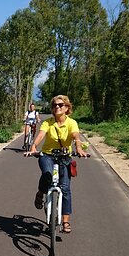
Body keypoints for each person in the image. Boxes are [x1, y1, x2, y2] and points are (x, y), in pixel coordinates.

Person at [25, 95, 88, 233]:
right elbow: (41, 134)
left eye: (60, 105)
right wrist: (34, 146)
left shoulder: (72, 123)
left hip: (64, 157)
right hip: (47, 155)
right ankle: (41, 193)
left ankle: (65, 222)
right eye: (54, 105)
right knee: (47, 174)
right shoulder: (48, 122)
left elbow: (76, 136)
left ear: (67, 107)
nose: (57, 107)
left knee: (65, 188)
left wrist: (78, 147)